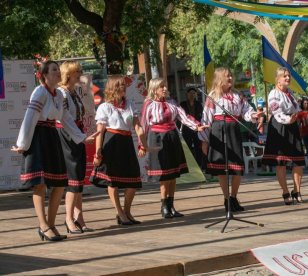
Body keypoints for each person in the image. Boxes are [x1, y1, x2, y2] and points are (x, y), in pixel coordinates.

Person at [11, 61, 87, 241]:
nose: (57, 73)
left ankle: (51, 224)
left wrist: (81, 137)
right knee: (40, 183)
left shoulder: (58, 94)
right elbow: (30, 118)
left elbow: (66, 118)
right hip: (39, 137)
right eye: (53, 70)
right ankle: (44, 225)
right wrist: (23, 144)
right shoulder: (40, 91)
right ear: (44, 75)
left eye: (57, 70)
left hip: (52, 136)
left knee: (60, 183)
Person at [141, 78, 208, 219]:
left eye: (165, 86)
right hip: (158, 139)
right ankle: (164, 206)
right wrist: (142, 145)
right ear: (154, 89)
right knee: (164, 175)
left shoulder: (172, 103)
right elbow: (144, 124)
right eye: (161, 87)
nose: (165, 89)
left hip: (172, 137)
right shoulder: (149, 104)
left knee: (172, 175)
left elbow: (183, 117)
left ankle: (171, 206)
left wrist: (196, 126)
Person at [199, 67, 259, 212]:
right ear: (220, 78)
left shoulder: (238, 95)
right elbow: (206, 118)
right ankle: (226, 199)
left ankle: (233, 197)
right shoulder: (213, 96)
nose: (231, 78)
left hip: (233, 130)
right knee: (222, 168)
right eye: (227, 76)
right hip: (218, 131)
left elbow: (246, 110)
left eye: (231, 76)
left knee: (237, 167)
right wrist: (204, 140)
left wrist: (253, 115)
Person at [91, 75, 146, 225]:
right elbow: (100, 131)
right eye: (120, 85)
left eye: (124, 85)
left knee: (133, 180)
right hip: (111, 143)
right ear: (113, 88)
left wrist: (143, 142)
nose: (124, 87)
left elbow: (137, 126)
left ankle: (127, 211)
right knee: (112, 181)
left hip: (126, 143)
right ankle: (119, 212)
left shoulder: (130, 104)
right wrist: (98, 152)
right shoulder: (105, 106)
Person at [56, 61, 95, 234]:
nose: (80, 73)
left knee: (79, 177)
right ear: (68, 74)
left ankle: (79, 218)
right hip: (67, 135)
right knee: (72, 178)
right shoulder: (61, 93)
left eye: (80, 70)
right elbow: (64, 119)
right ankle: (68, 219)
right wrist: (80, 136)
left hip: (77, 133)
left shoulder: (73, 91)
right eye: (77, 71)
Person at [262, 67, 305, 205]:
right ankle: (285, 191)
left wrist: (299, 114)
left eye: (289, 76)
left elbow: (297, 109)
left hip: (292, 127)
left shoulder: (290, 93)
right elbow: (277, 112)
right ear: (278, 79)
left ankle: (297, 190)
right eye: (285, 76)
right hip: (280, 127)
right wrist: (289, 120)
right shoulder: (273, 94)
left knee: (298, 161)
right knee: (281, 162)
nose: (288, 78)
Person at [179, 87, 203, 167]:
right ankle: (188, 165)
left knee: (198, 147)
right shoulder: (183, 104)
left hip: (197, 128)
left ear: (196, 95)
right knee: (187, 147)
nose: (192, 95)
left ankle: (199, 165)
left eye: (193, 93)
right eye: (190, 93)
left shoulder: (198, 104)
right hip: (186, 128)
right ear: (187, 95)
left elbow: (201, 115)